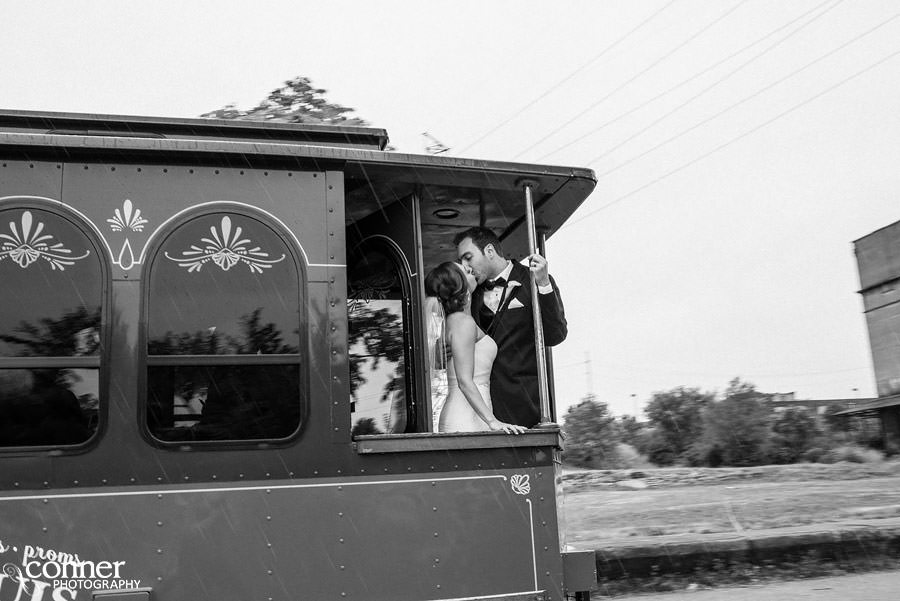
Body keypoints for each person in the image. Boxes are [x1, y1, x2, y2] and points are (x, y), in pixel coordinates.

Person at [455, 226, 567, 428]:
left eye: (468, 257)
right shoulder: (470, 294)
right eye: (462, 261)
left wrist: (543, 283)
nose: (466, 266)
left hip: (526, 408)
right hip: (482, 410)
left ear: (489, 251)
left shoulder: (533, 281)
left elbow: (556, 335)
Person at [424, 261, 526, 434]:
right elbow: (464, 381)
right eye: (467, 271)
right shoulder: (462, 323)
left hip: (473, 412)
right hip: (466, 417)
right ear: (460, 284)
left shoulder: (457, 321)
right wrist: (493, 422)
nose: (471, 269)